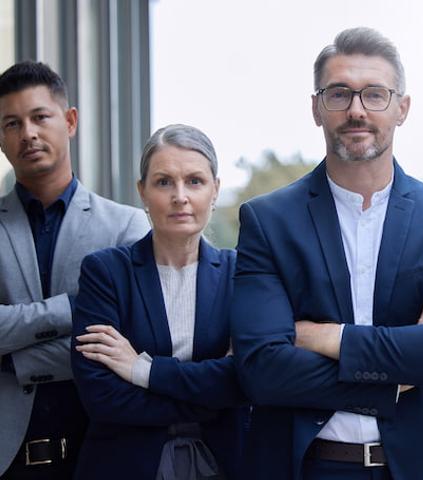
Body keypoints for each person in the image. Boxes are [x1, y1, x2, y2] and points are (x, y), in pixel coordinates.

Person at [231, 27, 423, 480]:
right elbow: (262, 369)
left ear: (402, 108)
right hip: (308, 466)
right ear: (316, 108)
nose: (356, 110)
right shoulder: (268, 221)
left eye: (375, 94)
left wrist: (331, 338)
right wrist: (406, 367)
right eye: (339, 94)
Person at [71, 124, 248, 480]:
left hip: (227, 463)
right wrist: (210, 395)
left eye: (195, 181)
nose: (180, 196)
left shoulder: (240, 274)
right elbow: (101, 395)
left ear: (215, 190)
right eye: (164, 182)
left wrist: (140, 370)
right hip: (125, 465)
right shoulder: (105, 272)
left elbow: (244, 381)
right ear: (142, 192)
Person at [0, 61, 149, 478]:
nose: (27, 133)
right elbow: (96, 344)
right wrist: (73, 309)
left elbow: (131, 343)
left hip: (100, 453)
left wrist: (11, 360)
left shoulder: (127, 225)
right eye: (12, 123)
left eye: (39, 117)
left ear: (69, 121)